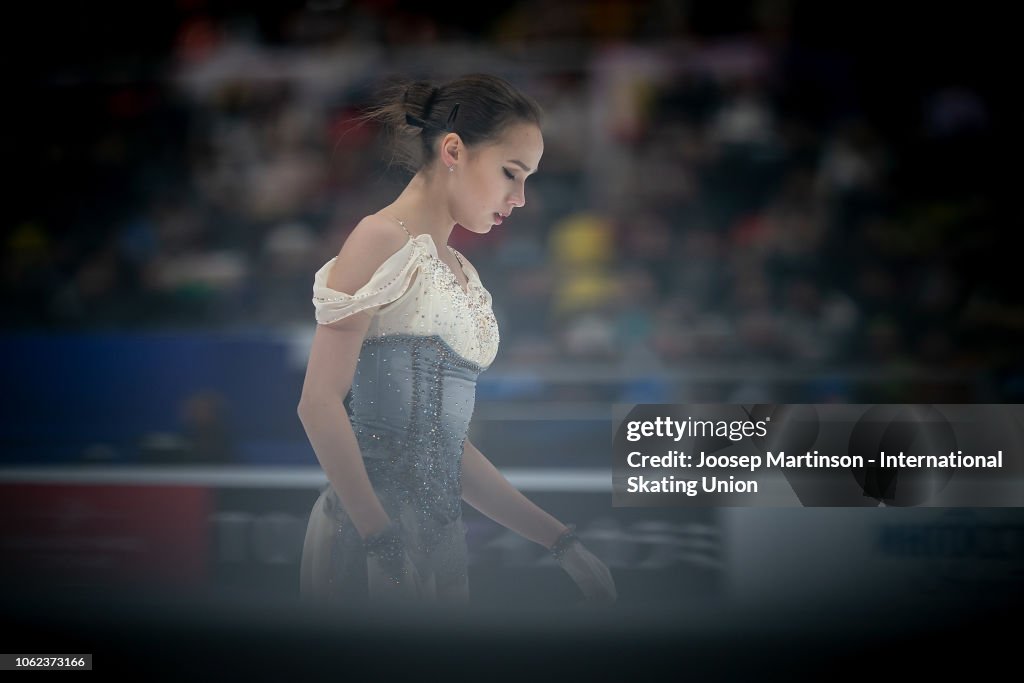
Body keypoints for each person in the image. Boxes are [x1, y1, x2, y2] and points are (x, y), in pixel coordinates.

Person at [296, 74, 617, 605]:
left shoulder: (462, 271)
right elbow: (318, 403)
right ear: (453, 149)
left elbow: (444, 454)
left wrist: (561, 541)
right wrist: (379, 537)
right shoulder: (379, 238)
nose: (518, 199)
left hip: (434, 536)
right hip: (369, 531)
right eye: (510, 174)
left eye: (528, 180)